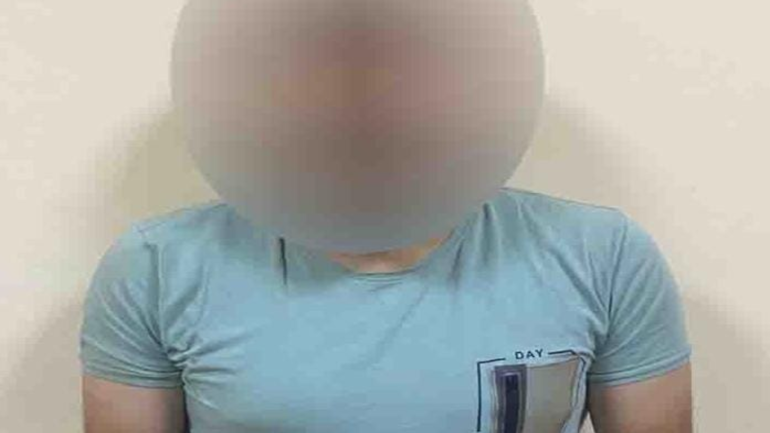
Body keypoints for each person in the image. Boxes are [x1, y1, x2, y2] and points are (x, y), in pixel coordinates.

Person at [79, 1, 692, 432]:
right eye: (323, 66)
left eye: (406, 63)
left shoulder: (602, 255)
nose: (366, 92)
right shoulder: (156, 267)